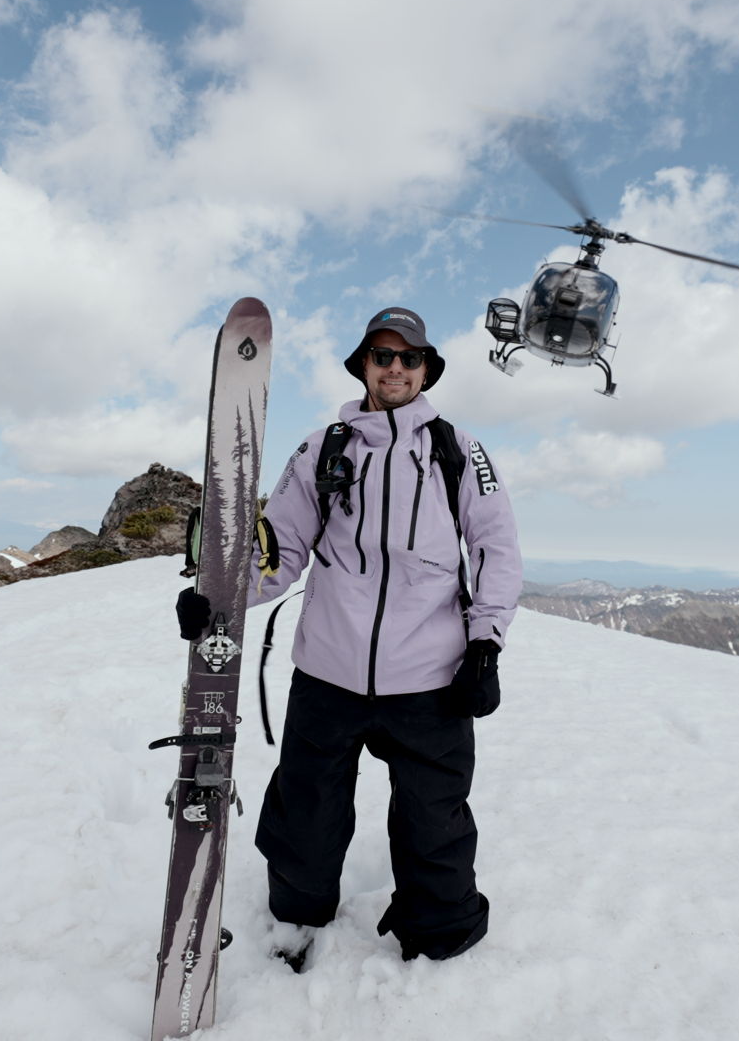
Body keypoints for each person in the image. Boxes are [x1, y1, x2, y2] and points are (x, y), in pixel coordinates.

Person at [180, 305, 522, 965]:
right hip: (328, 676)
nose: (396, 367)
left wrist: (485, 644)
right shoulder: (321, 448)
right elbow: (278, 552)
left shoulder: (460, 451)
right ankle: (296, 922)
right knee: (306, 814)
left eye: (409, 357)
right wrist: (216, 600)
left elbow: (495, 549)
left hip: (430, 681)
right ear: (363, 364)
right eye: (383, 355)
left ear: (427, 370)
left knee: (434, 820)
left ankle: (441, 932)